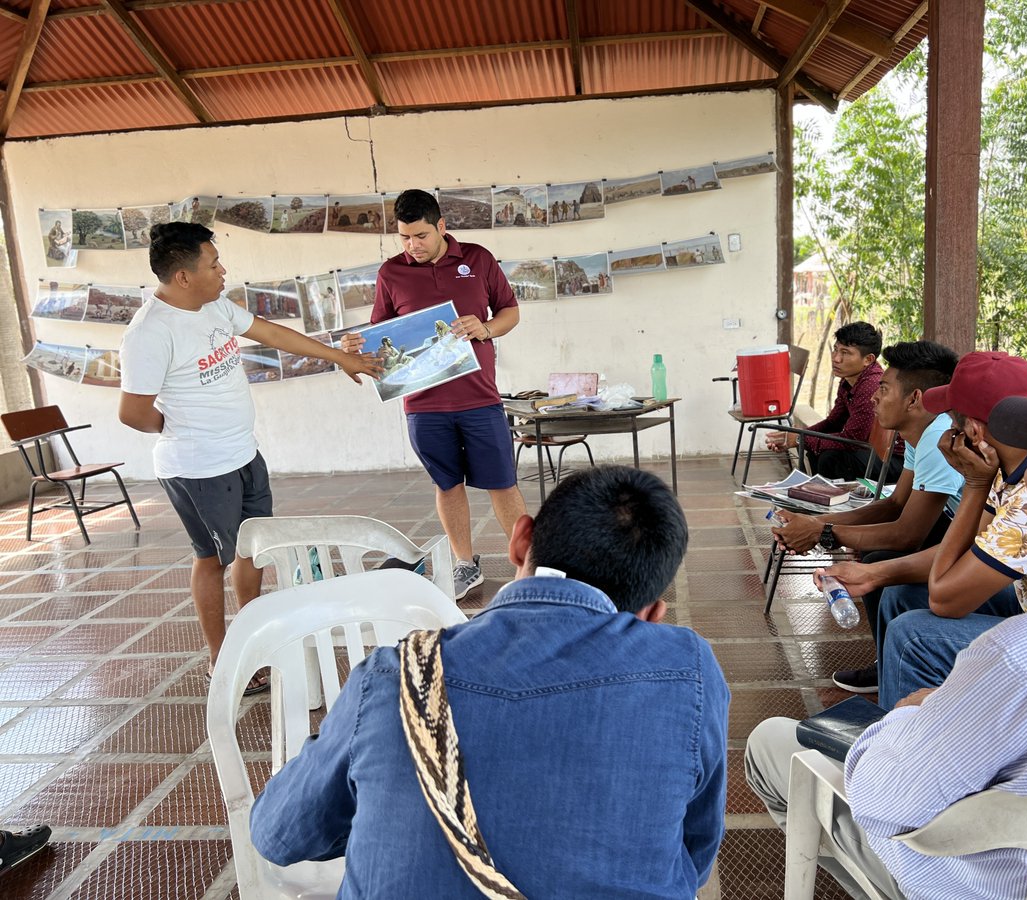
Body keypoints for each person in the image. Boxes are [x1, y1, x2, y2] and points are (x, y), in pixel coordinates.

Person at [745, 366, 1027, 900]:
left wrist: (908, 719)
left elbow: (890, 801)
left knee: (773, 743)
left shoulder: (1017, 657)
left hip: (997, 883)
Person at [249, 466, 729, 897]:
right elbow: (695, 857)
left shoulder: (399, 675)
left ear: (520, 539)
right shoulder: (689, 670)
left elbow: (277, 833)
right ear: (652, 616)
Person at [119, 223, 381, 689]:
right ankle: (223, 657)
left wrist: (340, 358)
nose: (223, 271)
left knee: (252, 547)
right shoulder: (150, 332)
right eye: (213, 264)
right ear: (182, 276)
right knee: (211, 558)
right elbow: (133, 412)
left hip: (243, 453)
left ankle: (252, 634)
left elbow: (272, 333)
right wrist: (184, 428)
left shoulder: (213, 305)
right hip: (198, 468)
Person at [820, 351, 1027, 701]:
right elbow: (969, 549)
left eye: (952, 419)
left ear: (974, 430)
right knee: (898, 594)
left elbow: (944, 600)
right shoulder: (1016, 466)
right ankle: (900, 695)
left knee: (914, 635)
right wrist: (876, 574)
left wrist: (975, 486)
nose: (946, 429)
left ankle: (901, 748)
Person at [341, 189, 526, 600]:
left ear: (442, 226)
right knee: (447, 486)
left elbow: (510, 311)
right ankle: (465, 565)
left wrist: (486, 328)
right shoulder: (391, 273)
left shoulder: (477, 259)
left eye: (421, 235)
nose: (413, 246)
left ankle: (529, 567)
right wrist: (359, 348)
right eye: (405, 238)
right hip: (422, 406)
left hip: (480, 398)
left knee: (503, 485)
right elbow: (381, 339)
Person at [773, 340, 963, 626]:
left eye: (883, 389)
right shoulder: (921, 432)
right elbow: (895, 504)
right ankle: (881, 664)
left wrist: (822, 531)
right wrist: (814, 521)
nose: (874, 397)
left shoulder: (939, 437)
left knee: (878, 558)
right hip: (951, 525)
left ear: (914, 399)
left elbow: (907, 535)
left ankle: (885, 665)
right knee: (875, 552)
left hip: (970, 542)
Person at [766, 322, 903, 481]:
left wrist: (799, 439)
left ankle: (840, 503)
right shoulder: (850, 380)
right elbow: (833, 422)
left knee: (832, 458)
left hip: (895, 461)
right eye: (836, 349)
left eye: (845, 352)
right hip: (869, 451)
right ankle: (821, 498)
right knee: (817, 449)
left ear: (868, 359)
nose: (836, 358)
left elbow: (853, 440)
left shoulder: (870, 386)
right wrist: (800, 435)